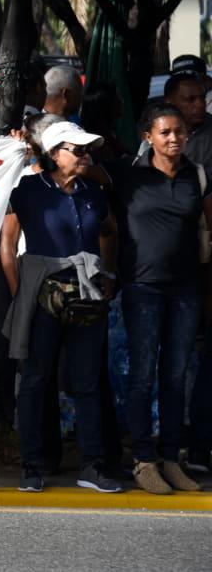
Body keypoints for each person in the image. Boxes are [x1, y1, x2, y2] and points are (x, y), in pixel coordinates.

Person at [0, 121, 121, 493]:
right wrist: (24, 293)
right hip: (42, 294)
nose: (86, 156)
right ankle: (32, 465)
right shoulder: (27, 189)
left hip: (86, 295)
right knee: (36, 381)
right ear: (54, 154)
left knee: (87, 382)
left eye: (88, 150)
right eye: (78, 149)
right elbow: (8, 244)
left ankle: (92, 466)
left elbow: (109, 231)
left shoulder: (93, 191)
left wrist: (108, 275)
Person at [105, 104, 209, 494]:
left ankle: (170, 459)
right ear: (148, 136)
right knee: (142, 376)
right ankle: (144, 461)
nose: (174, 138)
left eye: (179, 132)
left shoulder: (195, 175)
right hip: (142, 289)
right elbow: (76, 166)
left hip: (186, 290)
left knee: (176, 376)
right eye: (165, 132)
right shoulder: (126, 173)